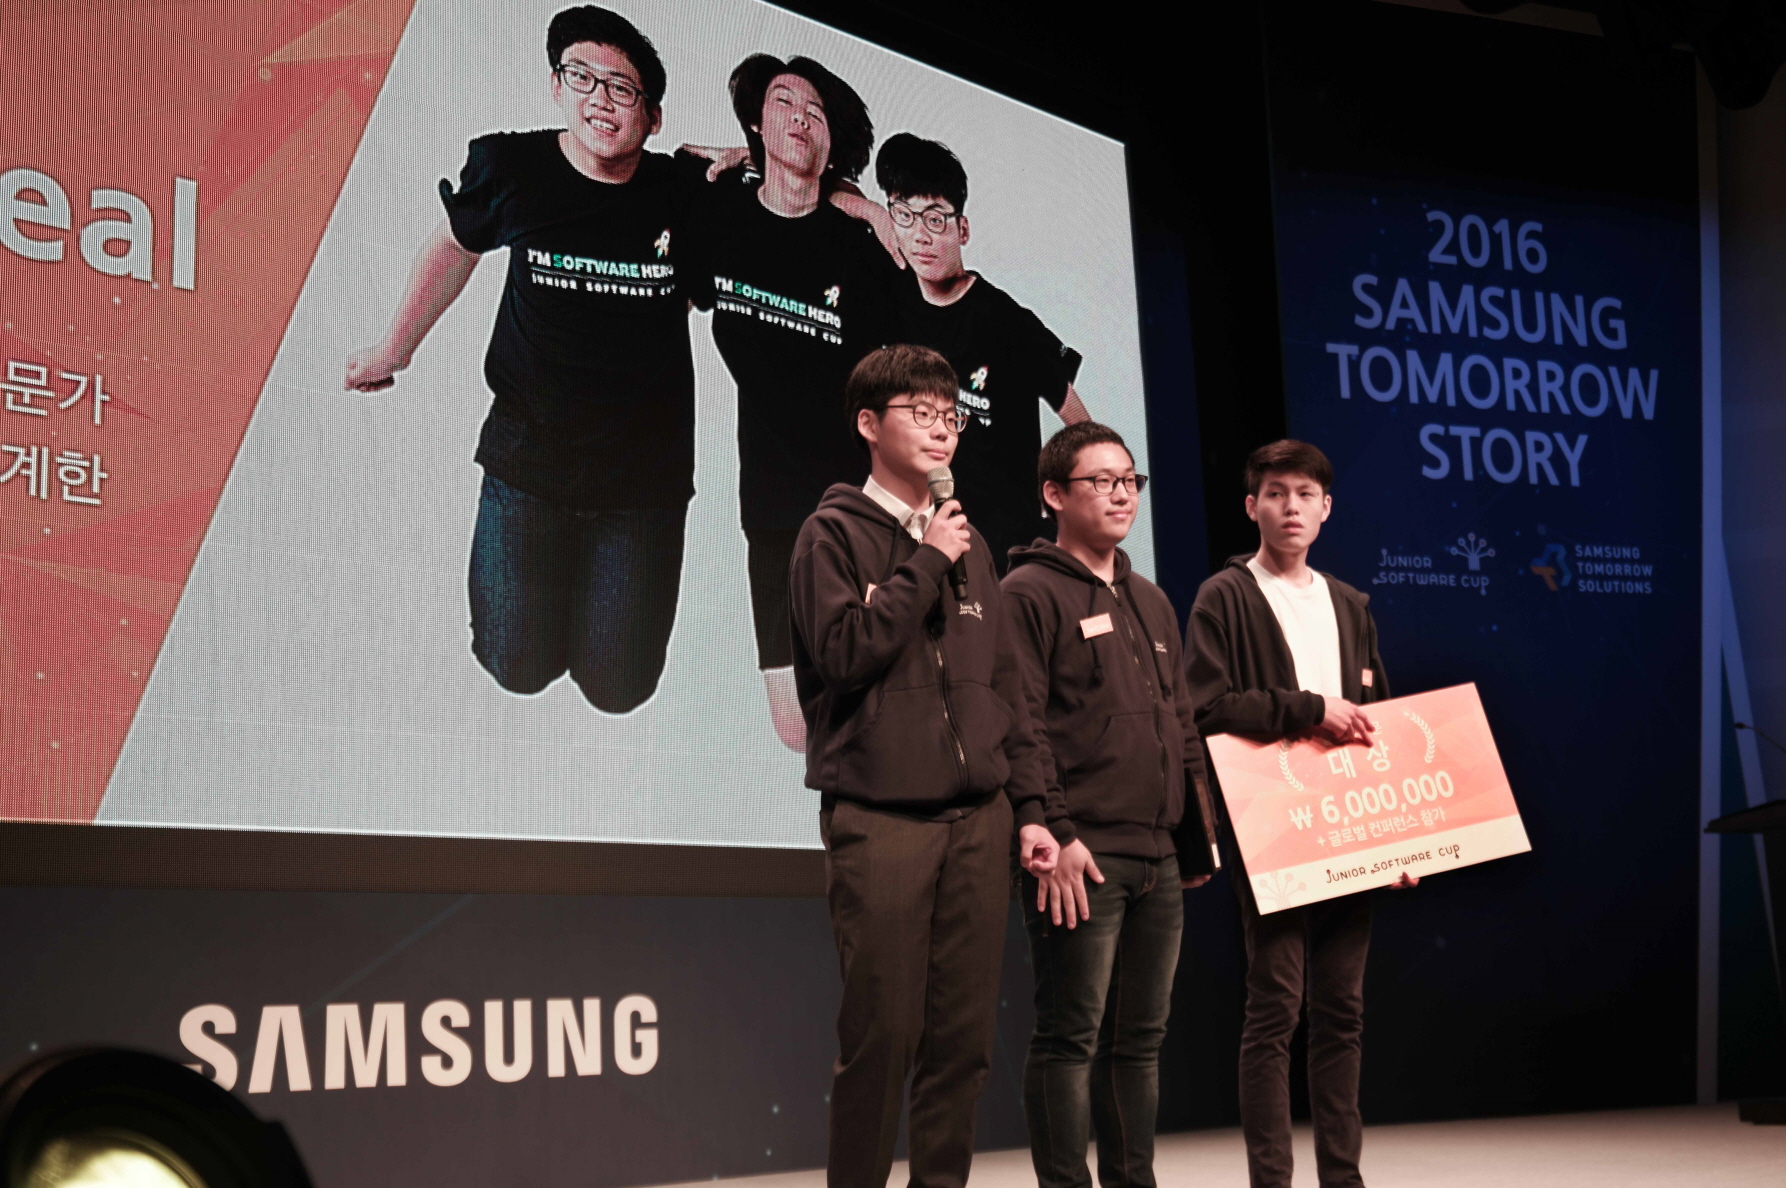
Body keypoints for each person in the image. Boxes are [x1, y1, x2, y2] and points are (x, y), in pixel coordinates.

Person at [345, 5, 698, 713]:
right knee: (516, 667)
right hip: (527, 463)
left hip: (642, 481)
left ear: (653, 118)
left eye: (622, 89)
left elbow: (789, 202)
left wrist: (748, 164)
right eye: (582, 78)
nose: (600, 100)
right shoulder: (514, 168)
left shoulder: (686, 196)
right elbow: (454, 250)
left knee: (619, 689)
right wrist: (394, 349)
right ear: (556, 86)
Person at [789, 343, 1065, 1188]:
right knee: (882, 1037)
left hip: (979, 822)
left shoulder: (970, 545)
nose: (943, 428)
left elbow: (1007, 693)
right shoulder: (831, 535)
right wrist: (927, 561)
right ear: (869, 425)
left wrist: (1032, 811)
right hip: (882, 819)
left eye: (952, 414)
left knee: (962, 1042)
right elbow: (844, 654)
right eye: (921, 412)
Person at [1184, 440, 1411, 1188]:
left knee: (1342, 1011)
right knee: (1275, 1009)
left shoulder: (1350, 604)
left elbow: (1379, 723)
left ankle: (1343, 1177)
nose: (1291, 507)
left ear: (1326, 508)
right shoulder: (1225, 595)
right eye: (1276, 493)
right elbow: (1206, 706)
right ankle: (1272, 1181)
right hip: (1272, 821)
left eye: (1305, 494)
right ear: (1252, 506)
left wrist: (1402, 840)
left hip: (1350, 820)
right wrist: (1310, 708)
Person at [1002, 421, 1220, 1188]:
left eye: (1130, 480)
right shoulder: (1026, 593)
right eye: (1101, 481)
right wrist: (1055, 831)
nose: (1122, 494)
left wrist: (1193, 840)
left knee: (1140, 1044)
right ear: (1054, 495)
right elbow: (1021, 722)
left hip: (1158, 859)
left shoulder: (1151, 600)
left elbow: (1181, 725)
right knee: (1071, 1039)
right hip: (1081, 854)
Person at [690, 53, 903, 751]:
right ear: (756, 121)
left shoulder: (861, 248)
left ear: (831, 143)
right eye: (783, 102)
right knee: (794, 728)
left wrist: (863, 204)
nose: (800, 118)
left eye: (816, 113)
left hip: (857, 509)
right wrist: (737, 161)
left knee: (871, 706)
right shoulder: (720, 210)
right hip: (771, 508)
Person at [873, 133, 1092, 574]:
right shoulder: (892, 295)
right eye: (905, 215)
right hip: (928, 544)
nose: (920, 236)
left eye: (936, 219)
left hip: (1006, 550)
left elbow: (1081, 425)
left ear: (963, 229)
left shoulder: (1008, 322)